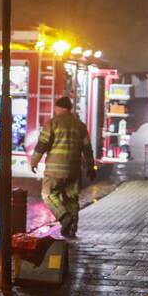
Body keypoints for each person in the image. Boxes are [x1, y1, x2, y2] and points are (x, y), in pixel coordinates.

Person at [30, 96, 95, 238]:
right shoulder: (80, 126)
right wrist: (91, 167)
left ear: (59, 108)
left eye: (55, 108)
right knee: (72, 199)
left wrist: (34, 161)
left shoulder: (52, 124)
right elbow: (87, 149)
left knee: (48, 194)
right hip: (74, 170)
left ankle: (63, 216)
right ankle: (71, 231)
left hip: (55, 171)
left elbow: (42, 145)